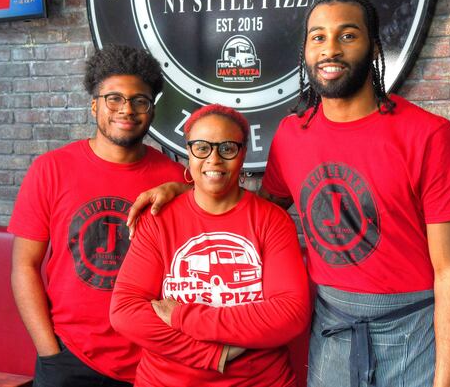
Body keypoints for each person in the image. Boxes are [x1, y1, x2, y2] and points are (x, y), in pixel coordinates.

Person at [126, 0, 450, 387]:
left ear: (374, 47)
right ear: (305, 51)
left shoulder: (430, 135)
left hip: (409, 327)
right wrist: (186, 190)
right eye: (318, 37)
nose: (330, 49)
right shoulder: (292, 135)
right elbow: (251, 212)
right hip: (331, 324)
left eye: (347, 36)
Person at [8, 45, 185, 387]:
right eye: (114, 98)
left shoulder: (175, 179)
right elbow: (24, 266)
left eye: (140, 101)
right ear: (94, 105)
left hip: (153, 359)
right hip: (69, 357)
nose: (127, 110)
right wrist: (50, 353)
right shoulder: (50, 170)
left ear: (151, 110)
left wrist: (186, 191)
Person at [110, 104, 311, 387]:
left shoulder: (272, 221)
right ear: (189, 153)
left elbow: (290, 314)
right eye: (201, 147)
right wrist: (217, 353)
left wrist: (183, 316)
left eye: (227, 148)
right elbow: (125, 312)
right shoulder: (158, 219)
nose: (214, 159)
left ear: (242, 154)